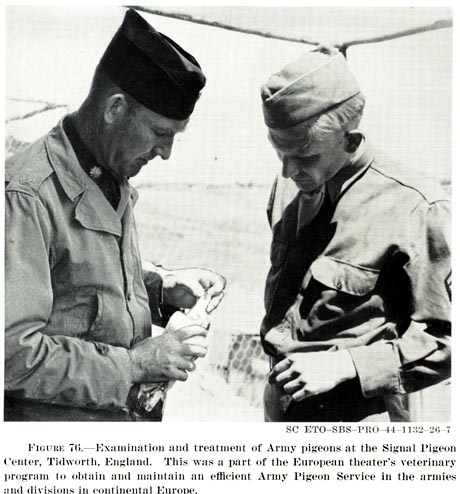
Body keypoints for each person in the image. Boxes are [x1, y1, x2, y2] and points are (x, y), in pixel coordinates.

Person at [4, 9, 225, 421]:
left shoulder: (110, 173)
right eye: (161, 133)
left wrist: (160, 289)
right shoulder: (26, 195)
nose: (166, 152)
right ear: (115, 109)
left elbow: (76, 281)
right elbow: (10, 354)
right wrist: (133, 366)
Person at [259, 47, 451, 422]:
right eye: (279, 153)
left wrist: (347, 364)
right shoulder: (288, 188)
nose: (287, 172)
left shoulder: (416, 206)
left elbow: (447, 339)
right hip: (281, 406)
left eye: (304, 155)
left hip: (356, 417)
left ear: (351, 139)